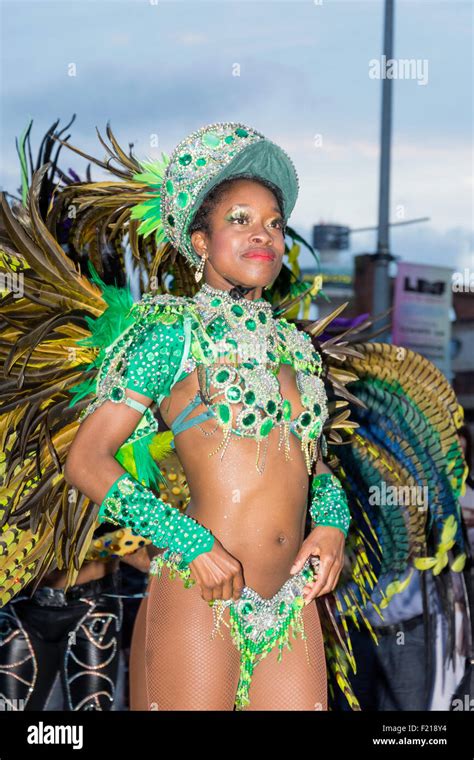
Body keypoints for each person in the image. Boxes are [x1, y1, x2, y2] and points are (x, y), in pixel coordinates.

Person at [63, 122, 351, 711]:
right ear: (200, 241)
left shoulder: (297, 349)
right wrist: (188, 541)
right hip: (201, 593)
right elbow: (86, 461)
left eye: (274, 222)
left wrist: (332, 524)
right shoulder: (172, 336)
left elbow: (311, 464)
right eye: (240, 220)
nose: (264, 235)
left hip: (291, 605)